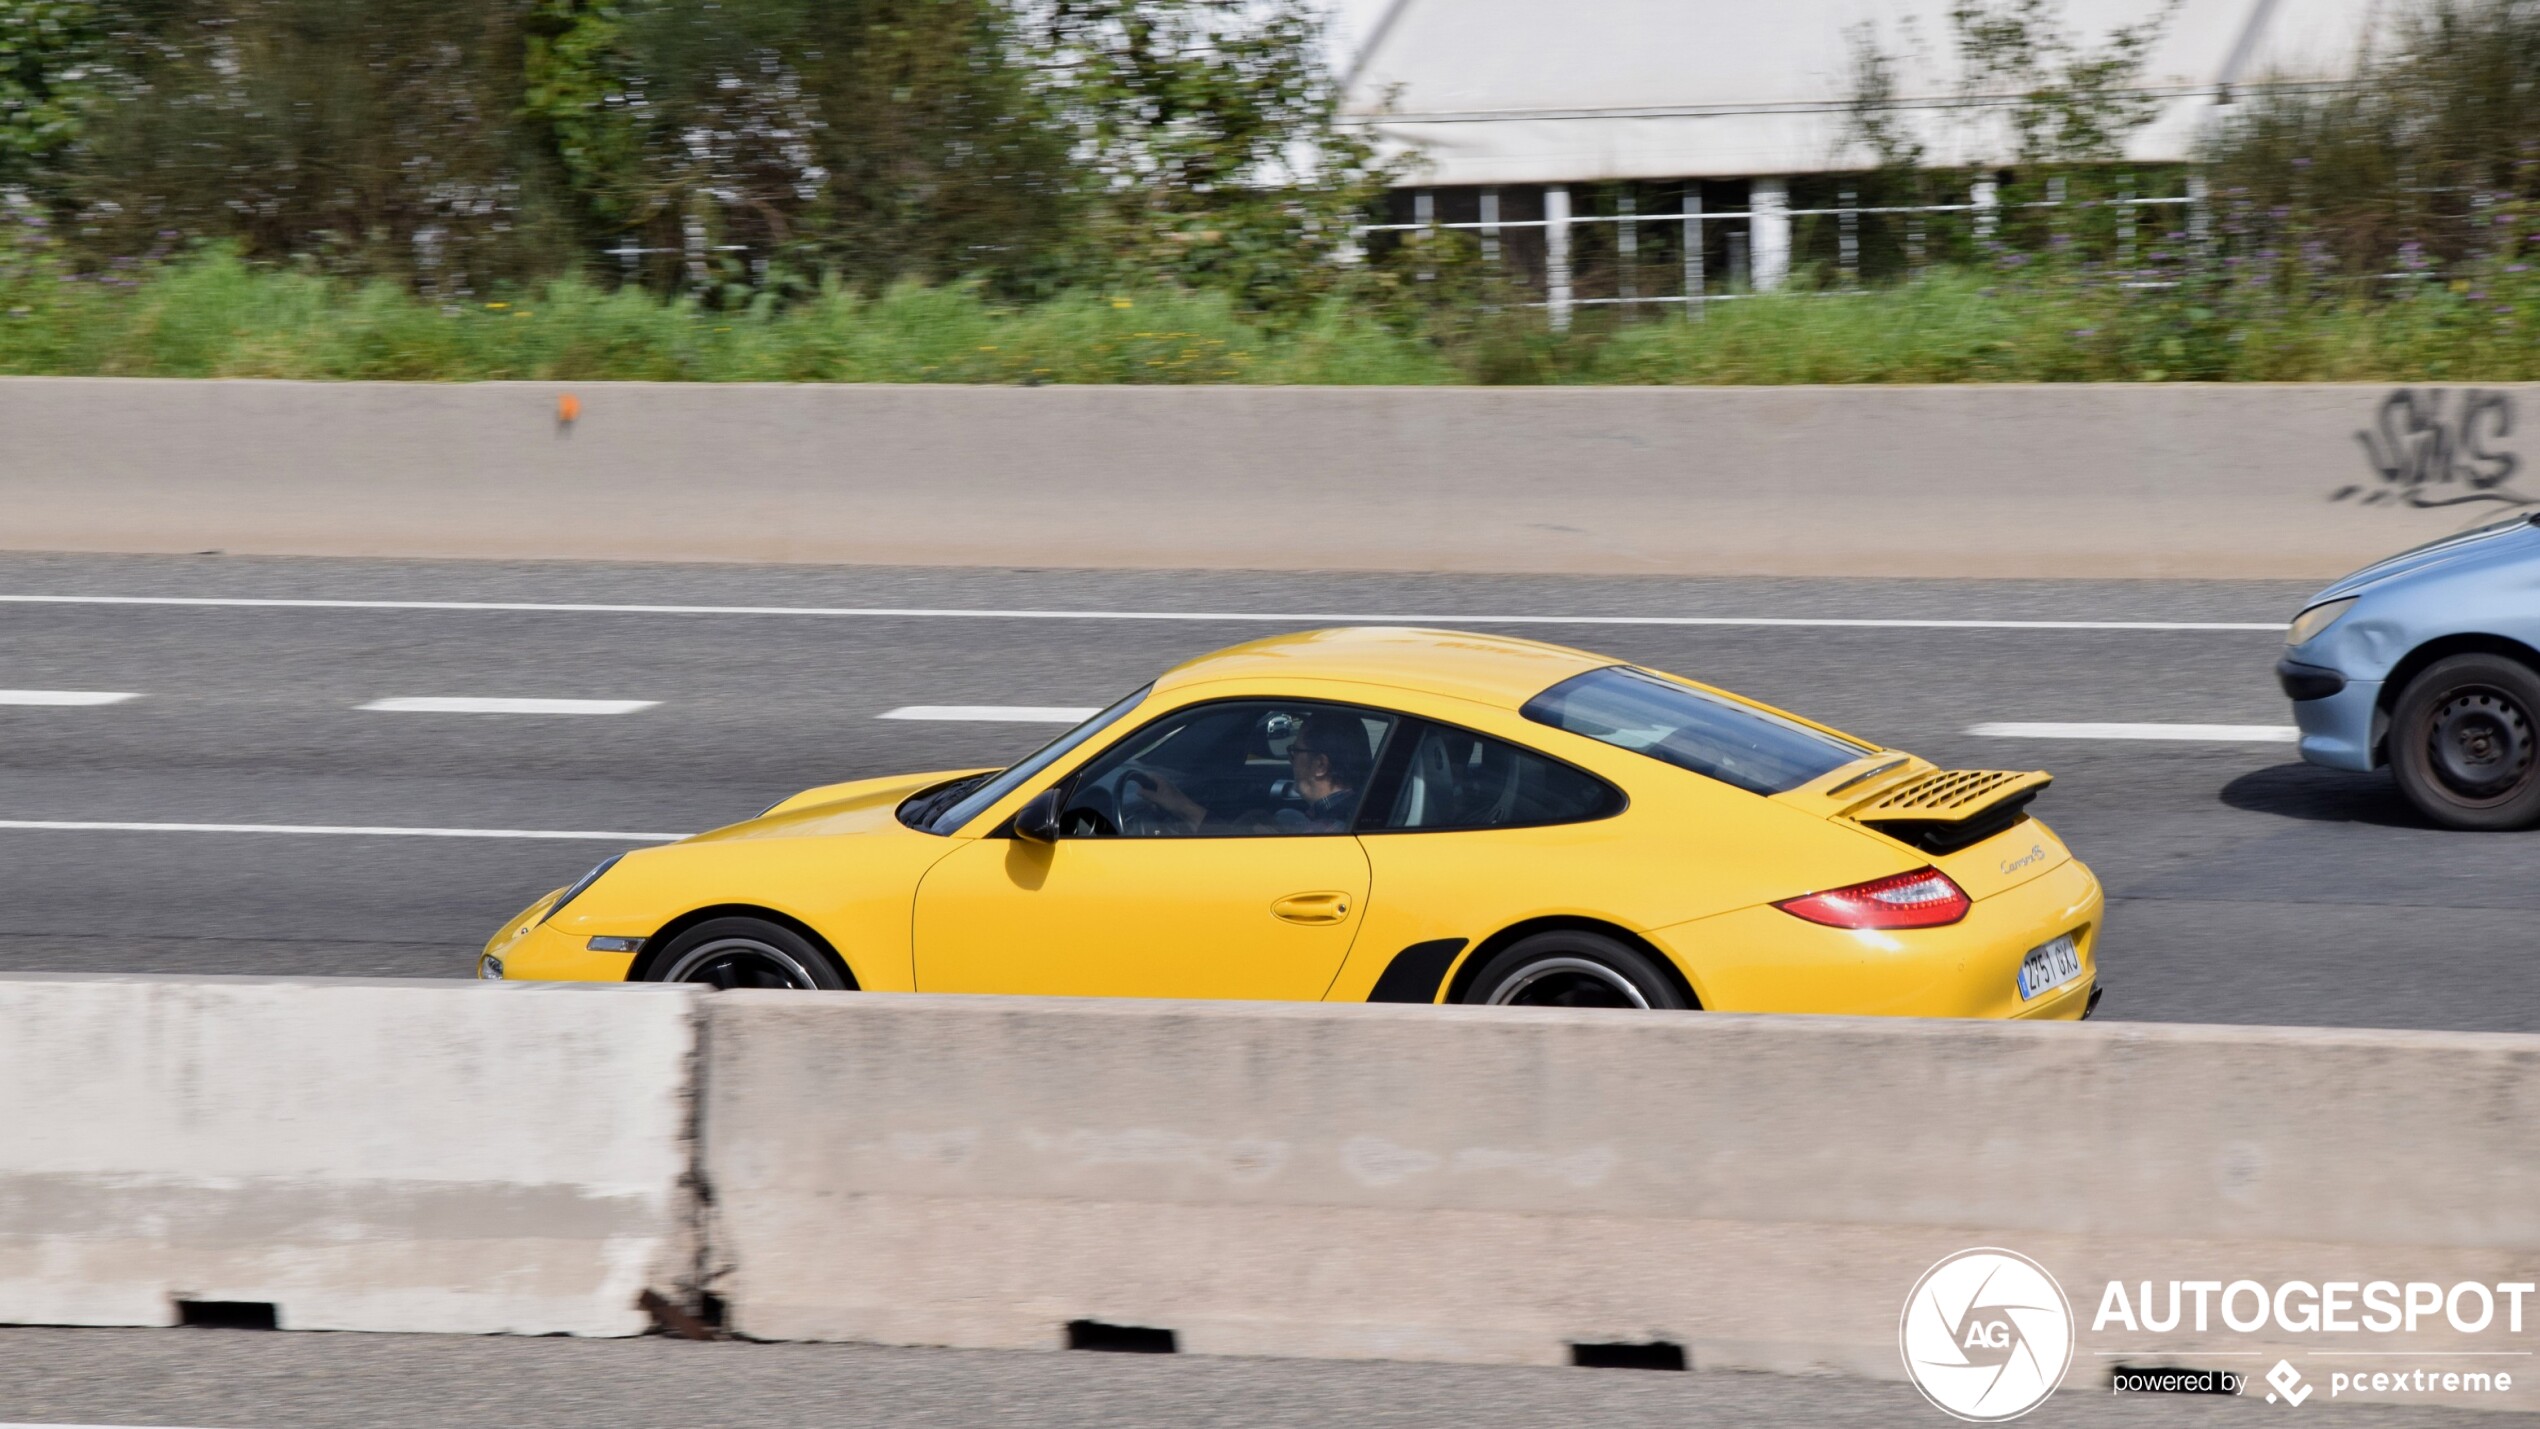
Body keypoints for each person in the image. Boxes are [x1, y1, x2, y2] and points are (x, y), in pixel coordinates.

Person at [1130, 711, 1370, 834]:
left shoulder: (1327, 830)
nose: (1292, 760)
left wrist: (1182, 807)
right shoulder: (1356, 811)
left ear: (1320, 766)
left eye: (1294, 750)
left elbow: (1234, 859)